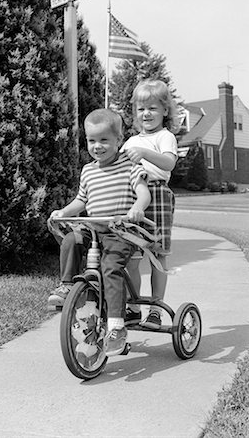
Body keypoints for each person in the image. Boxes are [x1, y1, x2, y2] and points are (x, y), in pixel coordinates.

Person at [48, 108, 151, 356]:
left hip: (120, 231)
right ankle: (65, 286)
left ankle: (116, 327)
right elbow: (80, 201)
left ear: (119, 140)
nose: (98, 146)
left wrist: (137, 207)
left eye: (104, 140)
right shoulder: (88, 170)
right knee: (72, 238)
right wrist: (64, 211)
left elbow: (144, 192)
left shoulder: (129, 165)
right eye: (92, 141)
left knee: (110, 268)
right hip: (93, 230)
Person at [121, 79, 179, 329]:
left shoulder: (165, 137)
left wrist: (144, 154)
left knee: (157, 254)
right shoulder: (130, 141)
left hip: (157, 194)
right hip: (132, 196)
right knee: (132, 256)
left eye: (153, 108)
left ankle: (155, 308)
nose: (146, 113)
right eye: (141, 108)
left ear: (165, 110)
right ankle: (133, 307)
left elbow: (168, 164)